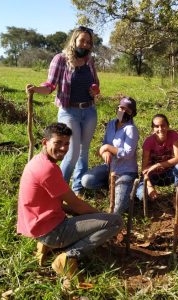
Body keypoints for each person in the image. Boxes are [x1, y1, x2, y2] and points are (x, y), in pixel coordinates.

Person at [17, 123, 122, 278]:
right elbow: (77, 204)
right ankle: (68, 257)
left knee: (87, 216)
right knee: (116, 221)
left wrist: (82, 214)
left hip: (37, 224)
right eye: (58, 143)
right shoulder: (48, 170)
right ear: (45, 142)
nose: (63, 148)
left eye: (66, 143)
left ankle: (46, 245)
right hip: (52, 231)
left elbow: (62, 203)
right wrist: (101, 216)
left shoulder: (37, 161)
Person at [26, 26, 100, 198]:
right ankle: (59, 191)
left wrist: (95, 90)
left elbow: (96, 83)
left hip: (89, 110)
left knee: (84, 150)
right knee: (72, 152)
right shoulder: (60, 59)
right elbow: (50, 85)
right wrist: (36, 89)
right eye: (82, 40)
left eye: (89, 42)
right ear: (74, 40)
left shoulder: (89, 61)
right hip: (69, 111)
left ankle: (77, 188)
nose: (86, 44)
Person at [81, 97, 139, 214]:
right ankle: (112, 187)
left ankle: (126, 189)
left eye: (127, 110)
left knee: (117, 210)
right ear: (117, 108)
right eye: (121, 108)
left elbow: (128, 153)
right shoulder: (112, 124)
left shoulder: (131, 129)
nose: (123, 111)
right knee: (86, 180)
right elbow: (104, 144)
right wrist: (105, 152)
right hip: (110, 167)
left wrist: (108, 148)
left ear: (132, 113)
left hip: (126, 172)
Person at [136, 114, 178, 201]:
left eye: (163, 125)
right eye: (156, 126)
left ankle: (177, 197)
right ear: (153, 128)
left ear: (167, 126)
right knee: (142, 196)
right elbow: (144, 169)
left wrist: (158, 165)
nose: (160, 129)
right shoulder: (148, 142)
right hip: (151, 176)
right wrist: (149, 186)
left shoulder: (173, 136)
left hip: (168, 174)